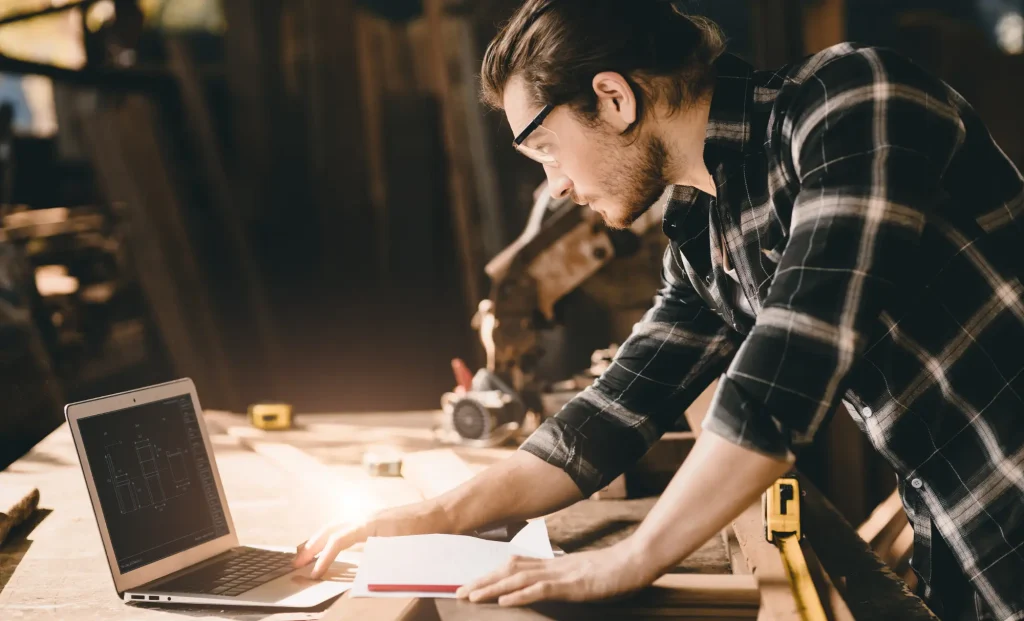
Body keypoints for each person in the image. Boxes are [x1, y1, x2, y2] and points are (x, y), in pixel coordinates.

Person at [293, 1, 1024, 618]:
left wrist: (629, 560)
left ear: (613, 97)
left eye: (547, 149)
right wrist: (439, 515)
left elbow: (786, 371)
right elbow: (612, 411)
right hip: (964, 546)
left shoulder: (852, 102)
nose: (557, 187)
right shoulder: (707, 233)